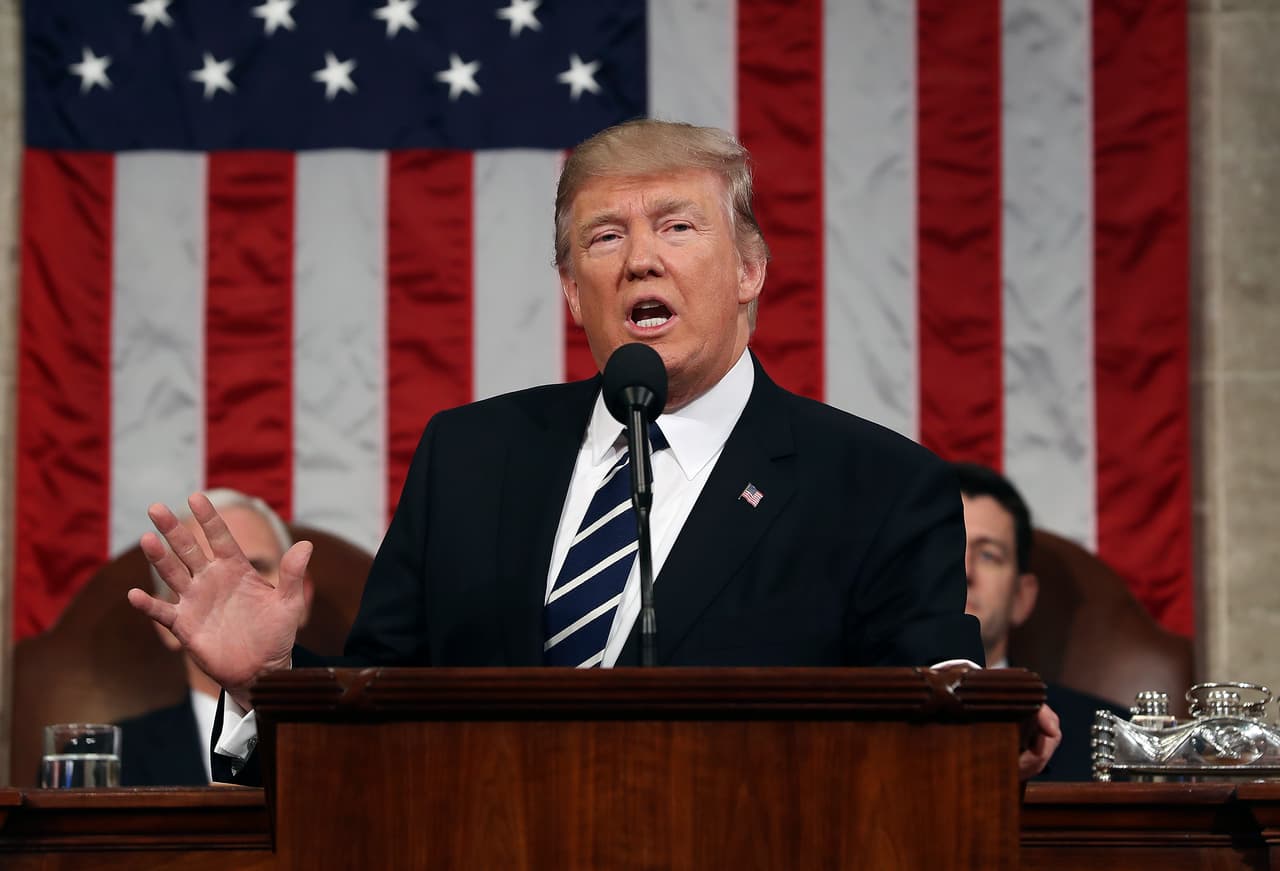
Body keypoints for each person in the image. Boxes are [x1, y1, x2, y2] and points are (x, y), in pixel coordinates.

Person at [128, 119, 1057, 782]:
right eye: (604, 238)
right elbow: (384, 715)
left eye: (677, 226)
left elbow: (940, 689)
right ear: (575, 293)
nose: (639, 260)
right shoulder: (470, 455)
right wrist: (273, 680)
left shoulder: (881, 484)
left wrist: (978, 717)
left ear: (748, 271)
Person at [117, 488, 312, 786]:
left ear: (303, 597)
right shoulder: (107, 759)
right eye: (206, 577)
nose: (241, 592)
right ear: (162, 623)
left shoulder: (367, 739)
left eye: (256, 567)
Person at [953, 461, 1121, 781]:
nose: (966, 572)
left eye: (988, 555)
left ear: (1021, 598)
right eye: (949, 548)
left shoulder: (1106, 743)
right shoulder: (858, 723)